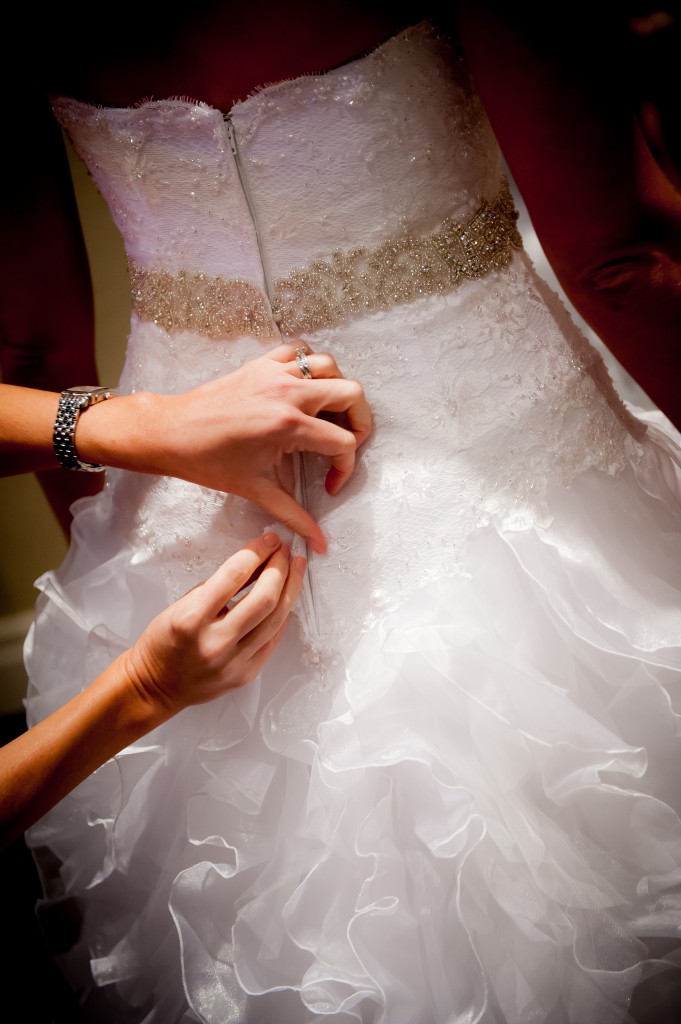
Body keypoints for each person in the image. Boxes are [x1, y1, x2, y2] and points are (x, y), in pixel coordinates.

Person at [2, 2, 681, 1022]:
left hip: (186, 522)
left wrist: (123, 556)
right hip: (506, 470)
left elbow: (33, 358)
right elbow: (616, 256)